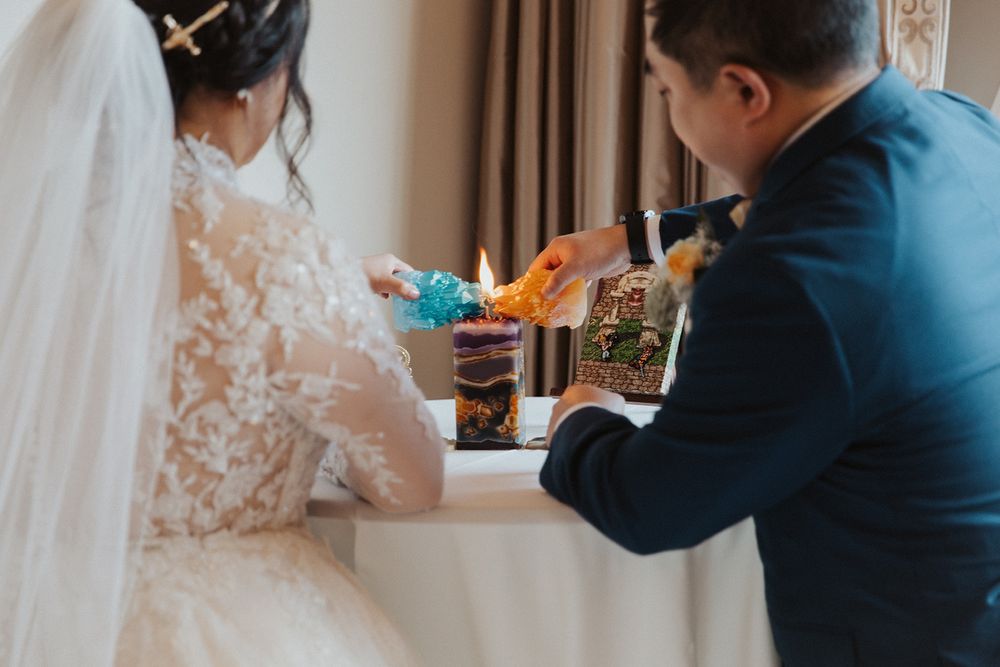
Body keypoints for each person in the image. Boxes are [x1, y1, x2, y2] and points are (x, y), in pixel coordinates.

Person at [531, 0, 1000, 663]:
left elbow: (653, 503)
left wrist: (579, 418)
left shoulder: (784, 280)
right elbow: (799, 196)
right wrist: (629, 241)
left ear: (745, 90)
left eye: (667, 90)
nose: (668, 106)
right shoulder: (964, 127)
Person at [0, 0, 442, 664]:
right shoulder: (284, 259)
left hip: (36, 618)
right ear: (254, 81)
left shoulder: (22, 246)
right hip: (233, 630)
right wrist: (335, 306)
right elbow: (412, 481)